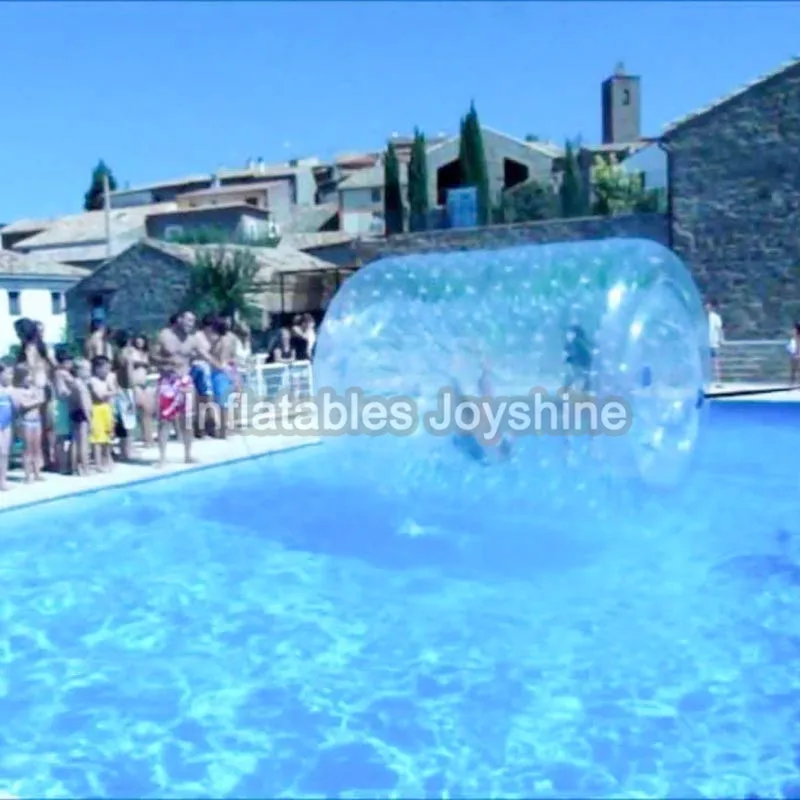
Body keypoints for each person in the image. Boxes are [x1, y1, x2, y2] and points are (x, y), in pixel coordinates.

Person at [151, 310, 198, 467]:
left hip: (185, 380)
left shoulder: (192, 339)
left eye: (193, 321)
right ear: (179, 319)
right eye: (188, 320)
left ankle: (188, 454)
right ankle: (162, 457)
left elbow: (200, 355)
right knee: (165, 420)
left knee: (188, 419)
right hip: (168, 381)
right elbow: (152, 356)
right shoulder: (164, 335)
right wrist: (167, 361)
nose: (191, 324)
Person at [13, 364, 45, 483]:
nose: (30, 379)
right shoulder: (17, 391)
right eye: (28, 376)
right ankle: (27, 475)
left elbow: (41, 399)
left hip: (36, 421)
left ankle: (37, 473)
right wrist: (35, 401)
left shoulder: (33, 389)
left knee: (37, 448)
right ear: (21, 377)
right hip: (26, 422)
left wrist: (34, 400)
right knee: (27, 449)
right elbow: (23, 405)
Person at [88, 356, 115, 472]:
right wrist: (110, 392)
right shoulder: (92, 381)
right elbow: (99, 396)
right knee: (97, 438)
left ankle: (107, 459)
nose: (107, 371)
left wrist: (109, 391)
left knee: (108, 436)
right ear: (97, 369)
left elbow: (114, 391)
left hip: (106, 408)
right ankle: (98, 463)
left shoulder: (107, 380)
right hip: (97, 409)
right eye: (104, 368)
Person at [52, 348, 76, 474]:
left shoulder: (65, 373)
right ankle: (62, 465)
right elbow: (62, 392)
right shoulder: (60, 373)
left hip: (65, 406)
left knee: (67, 437)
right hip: (62, 407)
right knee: (62, 437)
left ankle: (66, 464)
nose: (70, 364)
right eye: (68, 361)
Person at [129, 334, 154, 446]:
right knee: (142, 411)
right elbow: (132, 363)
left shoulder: (146, 353)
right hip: (136, 385)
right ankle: (146, 438)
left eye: (141, 341)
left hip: (145, 384)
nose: (140, 343)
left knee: (148, 412)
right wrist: (144, 364)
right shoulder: (131, 352)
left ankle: (149, 437)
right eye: (137, 341)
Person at [70, 359, 92, 477]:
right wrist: (90, 419)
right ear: (79, 371)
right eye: (87, 370)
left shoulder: (75, 382)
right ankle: (85, 468)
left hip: (76, 413)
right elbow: (84, 403)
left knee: (76, 441)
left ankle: (75, 468)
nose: (89, 372)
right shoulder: (79, 384)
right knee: (83, 443)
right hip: (82, 413)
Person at [0, 363, 13, 490]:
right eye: (8, 373)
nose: (11, 376)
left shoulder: (10, 389)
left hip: (7, 423)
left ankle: (2, 480)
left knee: (4, 452)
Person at [706, 299, 724, 386]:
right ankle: (712, 380)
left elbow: (719, 329)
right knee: (710, 362)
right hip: (706, 343)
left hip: (713, 343)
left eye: (708, 305)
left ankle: (718, 380)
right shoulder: (705, 317)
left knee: (716, 362)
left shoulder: (716, 317)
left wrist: (721, 339)